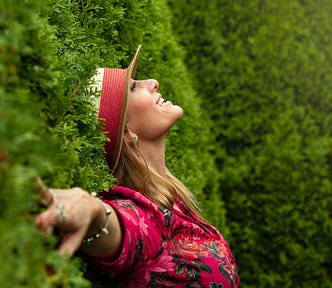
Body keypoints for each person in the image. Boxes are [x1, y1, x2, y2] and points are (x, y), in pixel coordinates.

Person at [35, 45, 240, 288]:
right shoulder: (143, 216)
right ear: (126, 132)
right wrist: (92, 210)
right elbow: (121, 226)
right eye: (133, 87)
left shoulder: (172, 199)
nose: (153, 82)